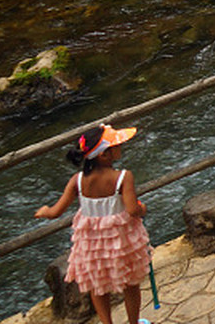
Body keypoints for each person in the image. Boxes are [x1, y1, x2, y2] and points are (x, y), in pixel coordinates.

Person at [34, 124, 151, 324]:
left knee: (98, 287)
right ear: (104, 155)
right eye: (116, 145)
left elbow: (56, 212)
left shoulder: (77, 181)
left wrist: (44, 211)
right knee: (131, 285)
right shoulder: (123, 177)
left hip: (92, 246)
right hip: (121, 243)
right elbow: (132, 209)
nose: (121, 147)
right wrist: (142, 208)